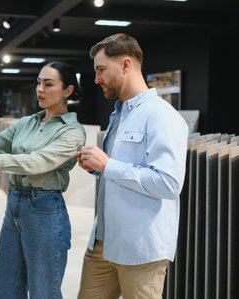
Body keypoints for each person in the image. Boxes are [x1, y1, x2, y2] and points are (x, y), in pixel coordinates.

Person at [0, 62, 86, 299]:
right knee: (6, 286)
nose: (40, 89)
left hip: (45, 211)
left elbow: (36, 162)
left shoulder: (73, 132)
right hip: (14, 205)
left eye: (49, 84)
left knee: (44, 292)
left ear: (68, 91)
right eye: (38, 82)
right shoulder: (27, 123)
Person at [76, 33, 188, 299]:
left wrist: (108, 166)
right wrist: (97, 168)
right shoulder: (119, 113)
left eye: (101, 69)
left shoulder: (162, 115)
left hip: (140, 250)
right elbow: (122, 170)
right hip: (102, 242)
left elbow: (169, 184)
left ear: (126, 65)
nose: (96, 79)